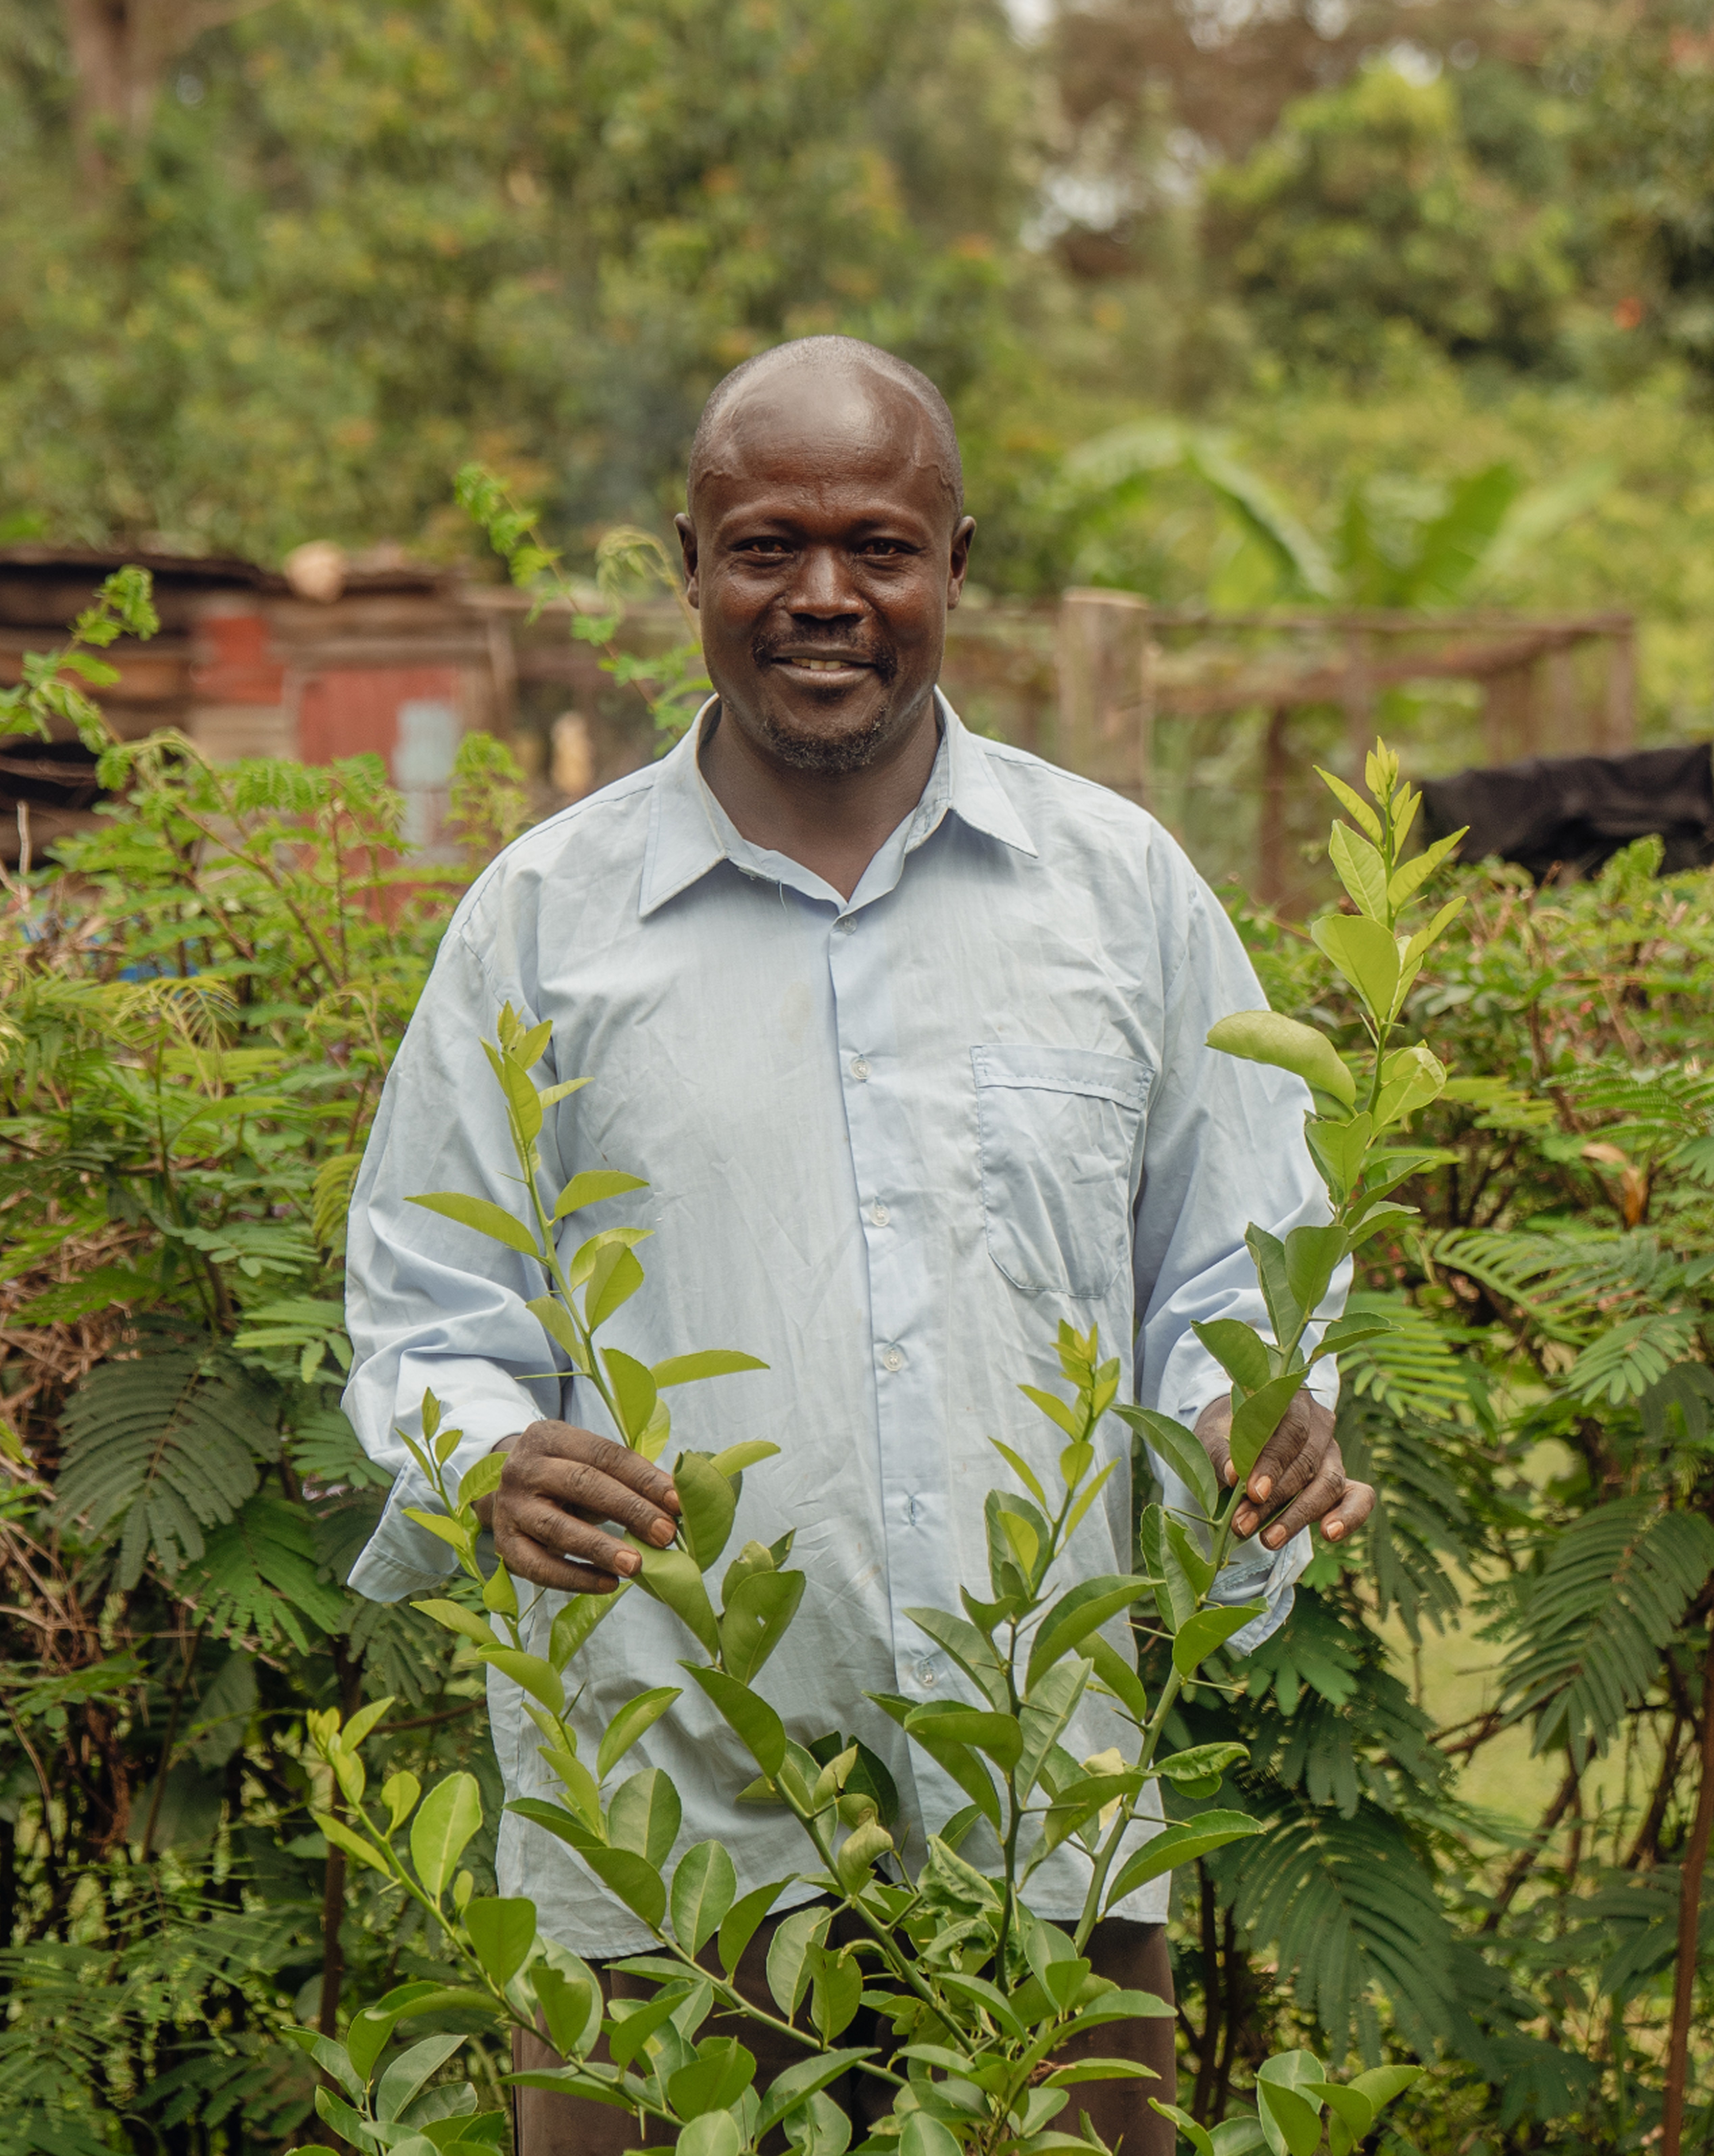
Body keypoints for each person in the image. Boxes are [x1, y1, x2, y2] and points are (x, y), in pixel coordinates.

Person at [342, 336, 1373, 2155]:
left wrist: (1246, 1414)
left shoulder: (1121, 895)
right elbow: (427, 1306)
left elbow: (1240, 1259)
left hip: (1036, 1807)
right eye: (766, 546)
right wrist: (484, 1457)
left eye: (881, 546)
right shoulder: (542, 928)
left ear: (958, 564)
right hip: (666, 1834)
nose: (825, 597)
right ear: (689, 562)